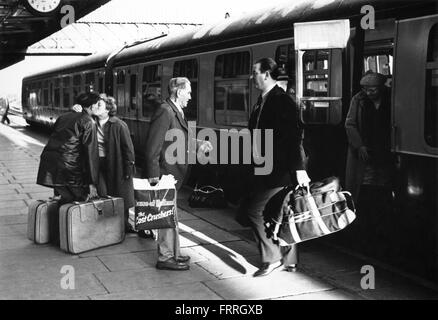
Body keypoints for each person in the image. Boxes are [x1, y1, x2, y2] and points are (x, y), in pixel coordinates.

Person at [240, 57, 310, 277]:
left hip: (279, 170)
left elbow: (294, 137)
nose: (252, 77)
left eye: (255, 73)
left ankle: (271, 258)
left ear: (267, 75)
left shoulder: (281, 101)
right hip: (266, 166)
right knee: (280, 212)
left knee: (254, 210)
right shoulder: (263, 100)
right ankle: (290, 261)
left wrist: (298, 169)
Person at [142, 77, 212, 271]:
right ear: (178, 92)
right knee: (165, 215)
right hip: (165, 173)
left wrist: (199, 144)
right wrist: (154, 176)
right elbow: (152, 147)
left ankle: (174, 253)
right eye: (188, 92)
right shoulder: (165, 111)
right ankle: (165, 257)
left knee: (171, 215)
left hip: (172, 173)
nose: (190, 97)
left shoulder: (174, 110)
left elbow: (181, 137)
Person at [37, 92, 100, 204]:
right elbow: (91, 153)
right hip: (70, 168)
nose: (98, 107)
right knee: (79, 203)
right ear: (91, 106)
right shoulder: (88, 121)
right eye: (97, 104)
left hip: (50, 163)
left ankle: (61, 221)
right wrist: (92, 182)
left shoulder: (63, 117)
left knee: (65, 201)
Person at [345, 72, 393, 202]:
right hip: (365, 148)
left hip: (385, 147)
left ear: (381, 88)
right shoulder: (358, 99)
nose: (368, 93)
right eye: (365, 90)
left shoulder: (391, 97)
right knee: (365, 181)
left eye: (372, 90)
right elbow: (350, 124)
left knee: (384, 182)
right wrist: (359, 145)